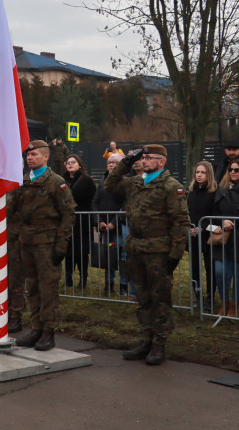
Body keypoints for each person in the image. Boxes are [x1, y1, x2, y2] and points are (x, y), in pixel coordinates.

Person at [105, 145, 189, 365]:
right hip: (136, 248)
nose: (143, 161)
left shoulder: (172, 187)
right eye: (142, 158)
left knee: (160, 299)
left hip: (159, 251)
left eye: (148, 158)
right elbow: (109, 184)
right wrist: (126, 162)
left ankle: (159, 344)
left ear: (161, 162)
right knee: (143, 298)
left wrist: (175, 254)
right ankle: (146, 339)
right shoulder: (136, 182)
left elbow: (180, 222)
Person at [7, 140, 76, 351]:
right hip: (26, 243)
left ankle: (48, 331)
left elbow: (67, 214)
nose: (29, 158)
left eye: (34, 154)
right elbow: (11, 209)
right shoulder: (23, 181)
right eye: (28, 155)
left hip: (47, 244)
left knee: (48, 289)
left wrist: (61, 247)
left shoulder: (56, 182)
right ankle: (36, 328)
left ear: (46, 157)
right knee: (33, 288)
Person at [92, 153, 128, 296]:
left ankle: (124, 285)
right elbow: (95, 201)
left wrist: (113, 222)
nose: (111, 164)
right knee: (108, 254)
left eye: (114, 162)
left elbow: (125, 204)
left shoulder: (125, 181)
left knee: (122, 256)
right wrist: (99, 220)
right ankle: (109, 283)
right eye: (109, 162)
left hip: (119, 227)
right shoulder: (102, 181)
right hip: (104, 228)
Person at [186, 160, 217, 313]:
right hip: (192, 235)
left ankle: (210, 298)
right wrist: (189, 228)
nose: (199, 175)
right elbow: (187, 212)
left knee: (210, 268)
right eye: (197, 172)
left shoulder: (214, 192)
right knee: (194, 268)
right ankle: (199, 297)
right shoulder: (190, 192)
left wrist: (203, 228)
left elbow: (216, 214)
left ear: (208, 174)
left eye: (203, 172)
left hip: (209, 236)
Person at [209, 161, 239, 317]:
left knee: (237, 275)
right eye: (230, 169)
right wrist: (222, 221)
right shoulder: (221, 190)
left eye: (236, 169)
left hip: (238, 238)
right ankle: (224, 302)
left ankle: (235, 305)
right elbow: (212, 212)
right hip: (223, 240)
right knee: (220, 272)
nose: (233, 172)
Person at [63, 154, 96, 288]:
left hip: (82, 222)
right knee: (67, 251)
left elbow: (92, 201)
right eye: (68, 162)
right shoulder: (61, 179)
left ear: (79, 164)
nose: (70, 164)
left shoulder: (87, 181)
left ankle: (83, 279)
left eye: (73, 162)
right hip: (66, 222)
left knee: (81, 252)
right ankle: (68, 278)